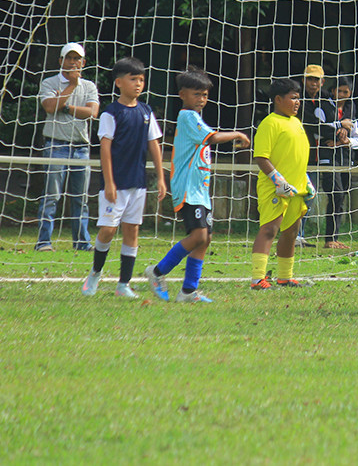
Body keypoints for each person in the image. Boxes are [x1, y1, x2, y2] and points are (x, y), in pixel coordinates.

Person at [144, 70, 250, 303]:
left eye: (204, 95)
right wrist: (237, 134)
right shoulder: (187, 117)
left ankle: (188, 291)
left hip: (200, 190)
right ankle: (157, 272)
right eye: (196, 94)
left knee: (206, 238)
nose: (202, 99)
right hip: (188, 189)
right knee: (199, 234)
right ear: (182, 95)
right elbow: (211, 138)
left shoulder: (196, 118)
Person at [80, 58, 166, 298]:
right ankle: (95, 273)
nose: (138, 84)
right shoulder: (111, 112)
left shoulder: (146, 111)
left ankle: (123, 285)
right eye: (133, 79)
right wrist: (109, 183)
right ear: (118, 82)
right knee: (107, 230)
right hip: (115, 184)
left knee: (132, 230)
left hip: (138, 183)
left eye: (141, 80)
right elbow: (105, 148)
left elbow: (154, 145)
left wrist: (160, 178)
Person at [250, 78, 315, 290]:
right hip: (275, 187)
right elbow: (261, 157)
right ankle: (257, 278)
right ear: (278, 99)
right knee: (269, 229)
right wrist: (278, 181)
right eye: (293, 98)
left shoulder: (296, 122)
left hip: (296, 188)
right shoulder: (269, 123)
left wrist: (306, 181)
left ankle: (285, 277)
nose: (297, 102)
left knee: (292, 231)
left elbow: (296, 157)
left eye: (299, 98)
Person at [36, 42, 100, 251]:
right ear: (61, 61)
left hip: (81, 147)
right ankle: (44, 242)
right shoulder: (48, 82)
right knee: (51, 196)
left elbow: (92, 112)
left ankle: (82, 242)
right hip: (55, 145)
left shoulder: (89, 86)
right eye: (69, 58)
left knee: (80, 198)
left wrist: (66, 106)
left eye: (77, 59)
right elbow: (49, 107)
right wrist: (71, 86)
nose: (73, 62)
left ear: (83, 62)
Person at [298, 64, 350, 249]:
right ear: (303, 79)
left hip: (324, 155)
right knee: (302, 195)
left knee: (327, 195)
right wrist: (337, 129)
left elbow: (342, 118)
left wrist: (343, 128)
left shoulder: (327, 100)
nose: (313, 83)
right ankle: (297, 236)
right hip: (301, 153)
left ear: (322, 82)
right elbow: (311, 124)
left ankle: (325, 237)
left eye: (316, 79)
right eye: (310, 79)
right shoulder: (297, 98)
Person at [326, 76, 358, 248]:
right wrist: (338, 126)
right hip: (325, 158)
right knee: (336, 194)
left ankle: (333, 237)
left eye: (345, 92)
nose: (341, 94)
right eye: (338, 91)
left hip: (345, 159)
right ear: (332, 91)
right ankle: (328, 238)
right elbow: (317, 128)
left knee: (340, 198)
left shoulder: (351, 110)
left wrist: (344, 142)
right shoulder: (324, 106)